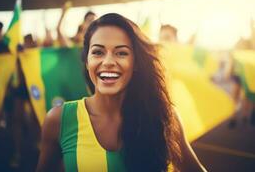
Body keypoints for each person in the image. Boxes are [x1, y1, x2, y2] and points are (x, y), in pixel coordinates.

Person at [36, 13, 207, 172]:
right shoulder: (59, 120)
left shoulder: (163, 117)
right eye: (98, 52)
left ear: (137, 63)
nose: (108, 61)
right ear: (87, 61)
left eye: (121, 53)